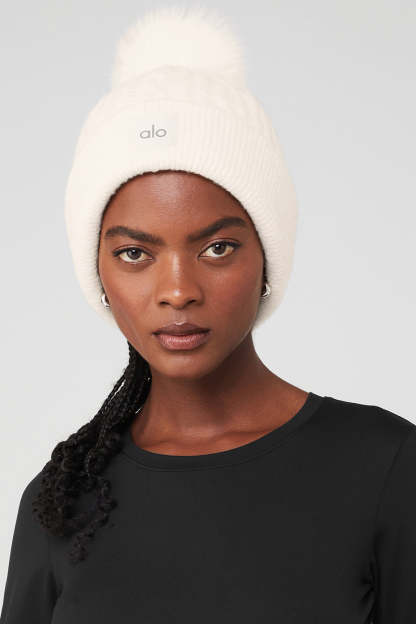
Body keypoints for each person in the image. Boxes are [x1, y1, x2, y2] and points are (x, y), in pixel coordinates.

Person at [1, 5, 415, 623]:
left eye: (217, 248)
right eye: (135, 253)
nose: (178, 291)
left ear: (268, 254)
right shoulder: (62, 500)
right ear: (99, 273)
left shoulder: (385, 467)